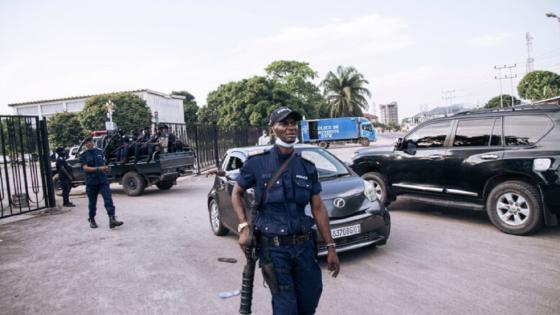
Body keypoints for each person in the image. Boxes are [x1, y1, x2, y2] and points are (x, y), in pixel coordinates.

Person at [232, 107, 340, 315]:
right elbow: (236, 193)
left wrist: (331, 246)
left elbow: (317, 207)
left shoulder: (306, 166)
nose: (291, 128)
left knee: (310, 297)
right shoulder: (256, 163)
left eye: (293, 123)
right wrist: (244, 226)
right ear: (273, 129)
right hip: (273, 250)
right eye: (284, 123)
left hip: (304, 247)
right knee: (286, 307)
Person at [79, 137, 123, 229]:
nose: (89, 144)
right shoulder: (83, 154)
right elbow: (85, 168)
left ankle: (112, 219)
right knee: (92, 202)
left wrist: (106, 168)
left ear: (93, 142)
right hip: (91, 182)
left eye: (90, 142)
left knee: (108, 200)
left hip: (102, 180)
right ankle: (92, 219)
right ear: (85, 144)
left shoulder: (99, 151)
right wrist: (99, 169)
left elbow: (103, 164)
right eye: (87, 143)